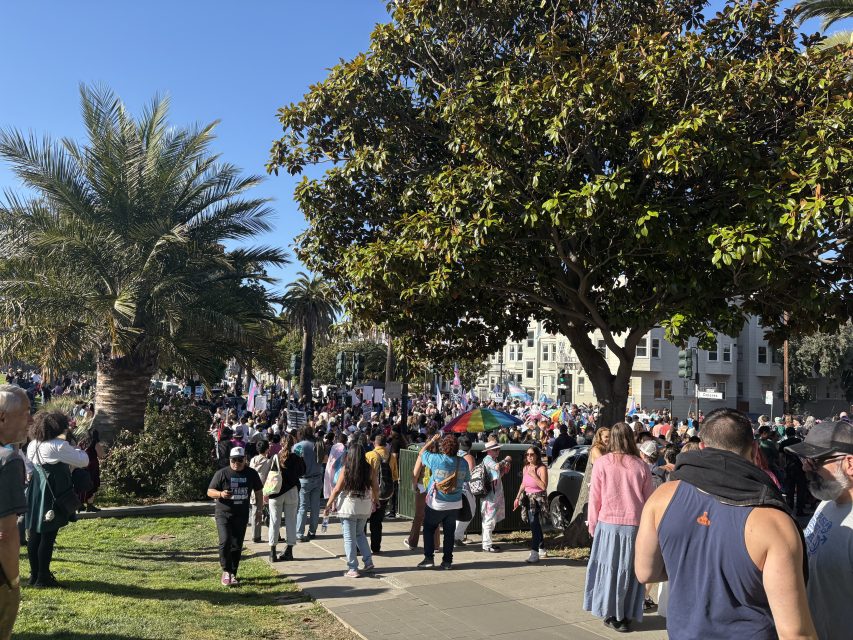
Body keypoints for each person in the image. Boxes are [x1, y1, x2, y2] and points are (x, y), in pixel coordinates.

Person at [635, 408, 817, 639]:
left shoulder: (662, 496)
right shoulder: (773, 522)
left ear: (702, 447)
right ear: (754, 451)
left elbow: (645, 572)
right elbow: (796, 633)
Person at [786, 419, 853, 639]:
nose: (805, 467)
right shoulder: (827, 503)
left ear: (849, 464)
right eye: (805, 460)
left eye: (815, 461)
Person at [584, 421, 653, 633]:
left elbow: (594, 497)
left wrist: (593, 525)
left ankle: (611, 612)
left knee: (608, 571)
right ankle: (624, 614)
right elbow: (649, 499)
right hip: (634, 525)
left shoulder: (602, 463)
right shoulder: (641, 466)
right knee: (629, 571)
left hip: (608, 524)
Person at [25, 410, 89, 588]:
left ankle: (34, 575)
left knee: (35, 535)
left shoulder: (33, 444)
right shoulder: (57, 446)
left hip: (36, 492)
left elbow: (30, 467)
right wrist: (77, 449)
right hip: (53, 493)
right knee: (48, 535)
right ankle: (43, 578)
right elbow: (83, 461)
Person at [207, 446, 263, 587]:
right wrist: (220, 494)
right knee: (225, 541)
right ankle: (226, 571)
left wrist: (259, 510)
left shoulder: (251, 473)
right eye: (233, 460)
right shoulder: (222, 473)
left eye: (240, 460)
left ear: (245, 459)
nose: (236, 463)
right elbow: (209, 491)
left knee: (236, 545)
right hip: (223, 513)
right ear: (229, 460)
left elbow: (258, 492)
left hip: (241, 514)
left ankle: (233, 573)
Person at [0, 385, 30, 639]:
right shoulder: (8, 461)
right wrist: (13, 584)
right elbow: (7, 533)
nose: (30, 420)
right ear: (2, 417)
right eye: (25, 412)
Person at [324, 442, 378, 578]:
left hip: (348, 506)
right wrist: (375, 499)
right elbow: (375, 487)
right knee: (360, 534)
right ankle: (368, 561)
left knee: (349, 538)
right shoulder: (369, 468)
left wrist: (328, 505)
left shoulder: (346, 468)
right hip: (365, 505)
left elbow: (337, 489)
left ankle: (353, 568)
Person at [416, 433, 470, 569]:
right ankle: (447, 562)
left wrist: (432, 440)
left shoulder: (436, 459)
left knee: (429, 529)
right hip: (455, 503)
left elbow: (421, 452)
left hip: (437, 503)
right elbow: (467, 479)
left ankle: (429, 558)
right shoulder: (462, 462)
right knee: (449, 533)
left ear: (443, 448)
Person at [267, 435, 305, 563]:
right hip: (292, 491)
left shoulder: (276, 457)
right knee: (291, 521)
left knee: (274, 521)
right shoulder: (297, 457)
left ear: (281, 444)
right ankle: (289, 549)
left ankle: (272, 551)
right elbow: (302, 472)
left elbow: (269, 473)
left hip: (276, 492)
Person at [513, 445, 548, 563]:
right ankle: (542, 547)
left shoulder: (542, 468)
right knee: (535, 524)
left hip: (538, 499)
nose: (529, 457)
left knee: (534, 524)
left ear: (537, 455)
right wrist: (517, 497)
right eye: (527, 454)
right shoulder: (526, 467)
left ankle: (534, 553)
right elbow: (523, 484)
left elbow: (543, 486)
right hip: (527, 498)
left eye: (531, 454)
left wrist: (534, 476)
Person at [364, 434, 398, 553]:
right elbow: (395, 476)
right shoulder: (391, 457)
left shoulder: (369, 455)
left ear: (375, 443)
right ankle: (376, 547)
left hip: (370, 493)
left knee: (363, 520)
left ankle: (360, 547)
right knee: (377, 522)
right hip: (385, 494)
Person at [480, 438, 512, 553]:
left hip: (494, 494)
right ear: (489, 451)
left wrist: (504, 469)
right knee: (488, 520)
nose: (498, 451)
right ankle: (487, 545)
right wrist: (505, 460)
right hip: (490, 496)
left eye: (498, 449)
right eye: (495, 449)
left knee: (490, 520)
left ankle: (487, 543)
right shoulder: (487, 459)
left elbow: (498, 475)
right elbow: (497, 467)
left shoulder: (493, 459)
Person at [294, 427, 324, 542]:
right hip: (317, 478)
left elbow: (294, 462)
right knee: (315, 506)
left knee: (303, 507)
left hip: (304, 479)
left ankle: (299, 533)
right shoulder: (317, 444)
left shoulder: (298, 446)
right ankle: (312, 531)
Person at [779, 426, 809, 516]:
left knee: (790, 489)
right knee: (800, 489)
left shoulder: (783, 443)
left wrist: (782, 467)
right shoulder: (799, 442)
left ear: (786, 434)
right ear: (794, 433)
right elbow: (804, 455)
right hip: (800, 468)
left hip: (789, 468)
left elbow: (781, 456)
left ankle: (789, 509)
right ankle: (800, 510)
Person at [453, 436, 476, 546]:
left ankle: (457, 536)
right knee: (470, 512)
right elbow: (471, 474)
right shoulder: (468, 457)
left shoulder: (453, 455)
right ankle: (457, 537)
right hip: (465, 489)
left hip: (453, 488)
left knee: (458, 514)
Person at [249, 441, 272, 543]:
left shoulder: (253, 460)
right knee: (270, 514)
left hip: (253, 490)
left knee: (255, 514)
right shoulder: (268, 462)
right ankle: (274, 534)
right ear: (267, 449)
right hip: (265, 491)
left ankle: (255, 535)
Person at [76, 429, 105, 512]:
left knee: (82, 484)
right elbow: (101, 455)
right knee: (93, 485)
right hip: (92, 467)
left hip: (82, 466)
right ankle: (90, 505)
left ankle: (80, 504)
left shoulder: (81, 443)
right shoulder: (95, 444)